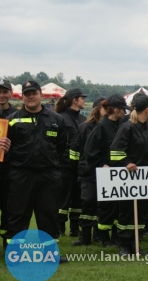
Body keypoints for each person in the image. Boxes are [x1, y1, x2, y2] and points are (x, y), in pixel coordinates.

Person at [5, 80, 66, 248]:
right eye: (27, 94)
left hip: (48, 175)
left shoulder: (56, 119)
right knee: (18, 214)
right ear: (23, 97)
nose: (31, 97)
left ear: (41, 95)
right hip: (21, 174)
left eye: (34, 93)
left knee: (48, 214)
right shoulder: (12, 120)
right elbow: (5, 150)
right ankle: (15, 252)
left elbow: (61, 148)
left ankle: (49, 251)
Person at [110, 94, 148, 256]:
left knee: (142, 212)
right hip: (128, 178)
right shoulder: (127, 127)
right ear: (147, 109)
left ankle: (135, 244)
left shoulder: (147, 128)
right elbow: (115, 151)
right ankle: (124, 245)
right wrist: (126, 163)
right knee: (127, 212)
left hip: (144, 178)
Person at [82, 94, 129, 247]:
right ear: (115, 110)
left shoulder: (123, 125)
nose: (125, 112)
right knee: (106, 208)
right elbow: (90, 152)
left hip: (120, 173)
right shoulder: (101, 127)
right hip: (104, 174)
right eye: (123, 109)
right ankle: (104, 237)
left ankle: (116, 236)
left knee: (118, 207)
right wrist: (102, 165)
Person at [70, 97, 107, 246]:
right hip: (88, 173)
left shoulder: (111, 128)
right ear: (98, 108)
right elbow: (75, 152)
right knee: (88, 203)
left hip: (105, 173)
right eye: (106, 108)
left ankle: (99, 235)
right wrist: (78, 169)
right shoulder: (84, 127)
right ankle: (84, 236)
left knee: (102, 206)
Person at [56, 88, 87, 237]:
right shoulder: (60, 117)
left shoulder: (82, 119)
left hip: (79, 166)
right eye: (82, 98)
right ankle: (60, 227)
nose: (84, 101)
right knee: (63, 197)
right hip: (64, 165)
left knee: (78, 197)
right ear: (75, 100)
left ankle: (75, 227)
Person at [0, 79, 16, 247]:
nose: (1, 95)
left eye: (5, 92)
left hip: (10, 168)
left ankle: (7, 242)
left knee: (9, 207)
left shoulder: (17, 114)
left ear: (11, 93)